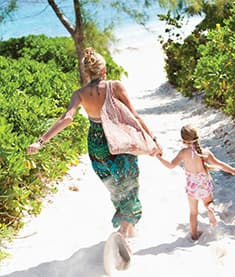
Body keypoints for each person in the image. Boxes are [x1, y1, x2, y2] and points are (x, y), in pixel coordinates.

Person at [27, 47, 161, 242]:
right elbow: (135, 116)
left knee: (114, 186)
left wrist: (40, 141)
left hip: (97, 145)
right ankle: (125, 231)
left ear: (86, 73)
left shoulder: (79, 94)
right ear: (104, 70)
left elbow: (67, 118)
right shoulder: (115, 86)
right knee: (128, 184)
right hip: (118, 140)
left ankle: (126, 229)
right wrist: (153, 140)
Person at [156, 124, 235, 240]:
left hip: (192, 186)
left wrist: (159, 157)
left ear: (184, 140)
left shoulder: (183, 153)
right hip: (204, 183)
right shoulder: (205, 153)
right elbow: (220, 164)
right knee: (209, 202)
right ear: (197, 138)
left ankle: (194, 235)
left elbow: (170, 165)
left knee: (193, 212)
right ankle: (210, 209)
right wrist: (232, 170)